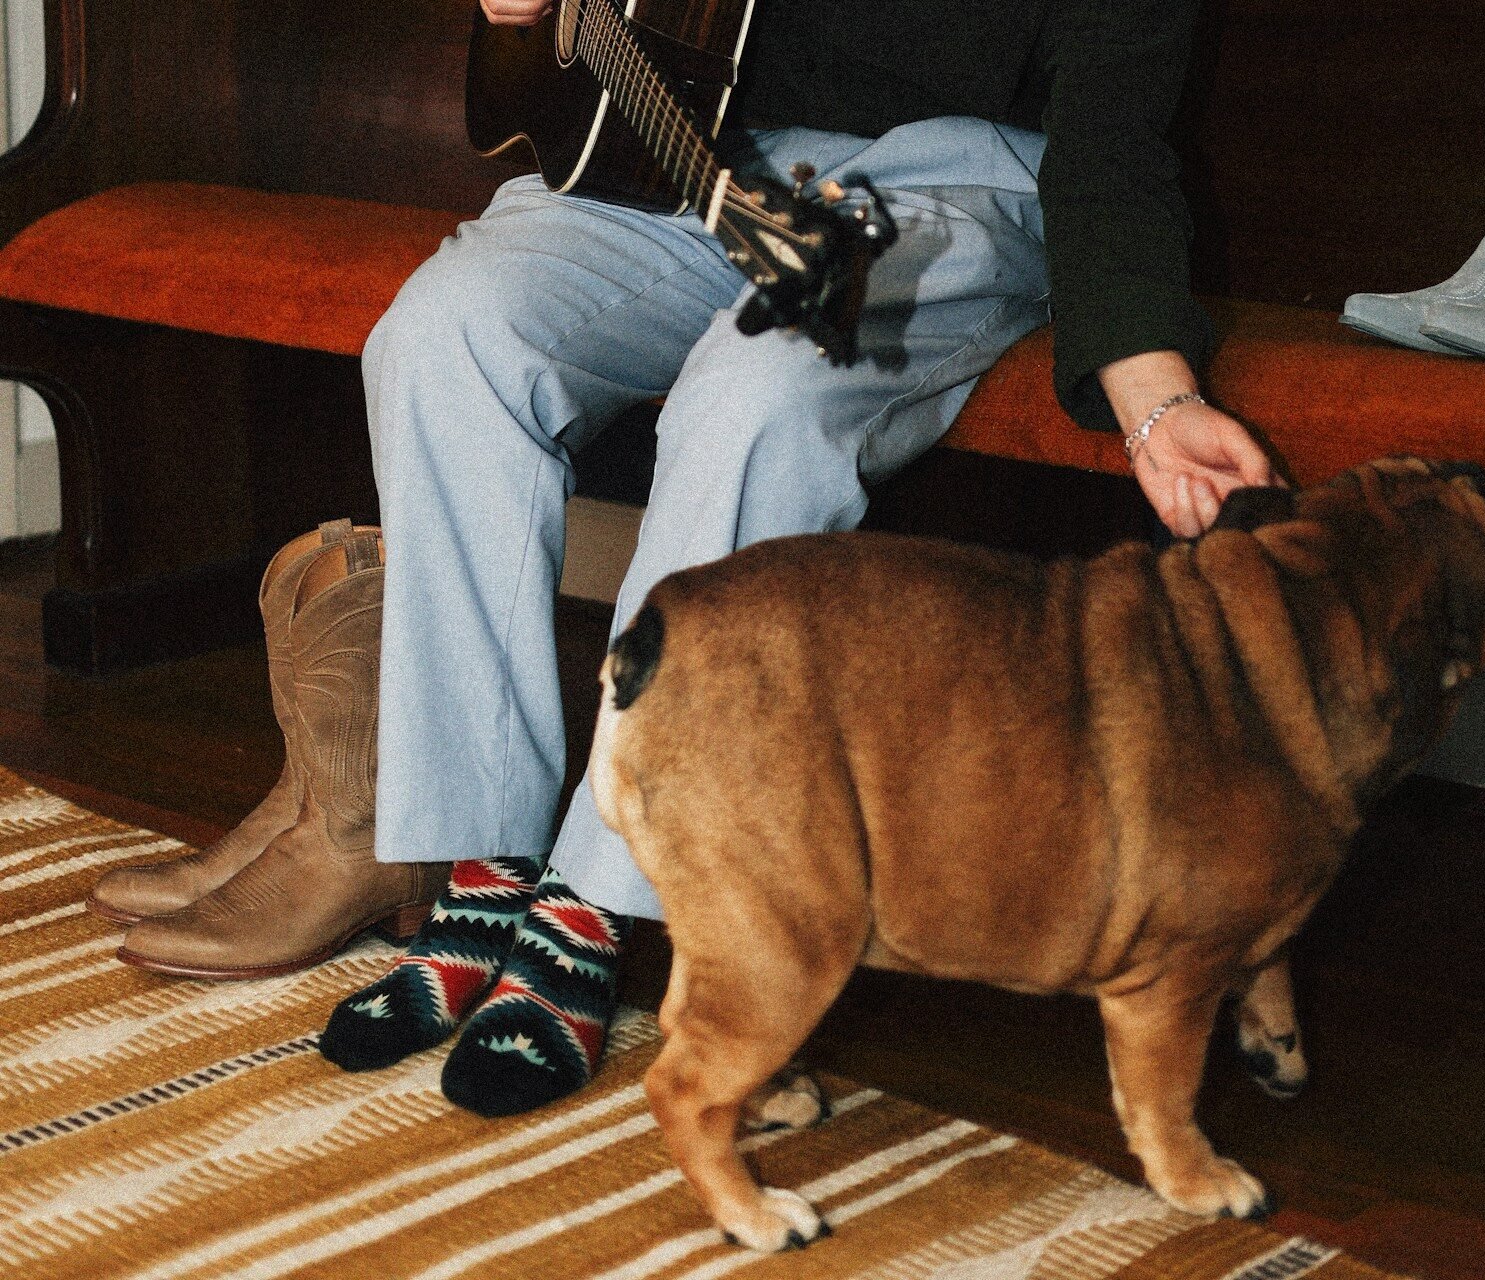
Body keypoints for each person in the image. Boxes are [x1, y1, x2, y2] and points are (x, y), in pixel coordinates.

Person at [257, 0, 1282, 1112]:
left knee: (755, 400)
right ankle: (483, 855)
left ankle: (594, 898)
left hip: (948, 186)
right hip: (689, 163)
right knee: (443, 337)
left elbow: (1115, 135)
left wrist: (1151, 393)